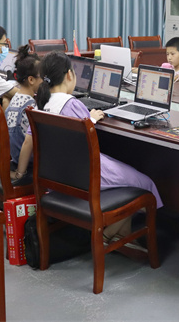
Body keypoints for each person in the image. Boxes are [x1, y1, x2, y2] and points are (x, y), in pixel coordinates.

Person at [33, 52, 163, 241]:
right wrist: (91, 119)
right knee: (146, 183)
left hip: (58, 176)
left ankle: (121, 235)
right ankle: (106, 235)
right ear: (69, 75)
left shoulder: (40, 104)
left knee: (125, 170)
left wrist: (89, 119)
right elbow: (83, 136)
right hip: (84, 176)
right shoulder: (71, 104)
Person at [5, 45, 42, 183]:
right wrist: (20, 173)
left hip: (15, 157)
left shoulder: (15, 98)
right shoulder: (30, 107)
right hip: (28, 164)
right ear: (31, 80)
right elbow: (29, 142)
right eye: (42, 77)